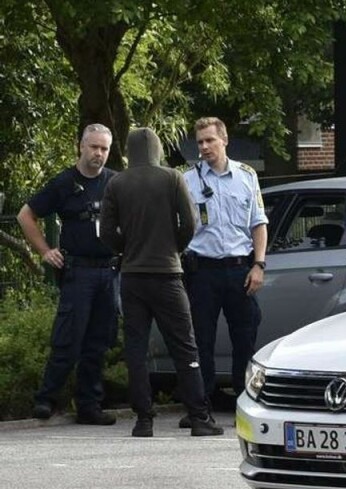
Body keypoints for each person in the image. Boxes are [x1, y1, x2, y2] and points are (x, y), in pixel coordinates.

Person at [99, 127, 223, 437]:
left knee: (136, 350)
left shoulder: (117, 182)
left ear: (129, 151)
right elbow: (190, 222)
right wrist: (175, 248)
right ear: (157, 149)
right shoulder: (172, 178)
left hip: (132, 277)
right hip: (168, 274)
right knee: (185, 346)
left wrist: (125, 250)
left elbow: (105, 232)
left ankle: (144, 419)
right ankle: (198, 417)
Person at [17, 123, 119, 425]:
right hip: (79, 273)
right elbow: (26, 215)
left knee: (98, 343)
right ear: (81, 146)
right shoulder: (64, 182)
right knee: (67, 340)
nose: (98, 153)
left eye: (104, 148)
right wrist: (45, 251)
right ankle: (46, 400)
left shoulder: (115, 183)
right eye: (93, 147)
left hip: (108, 273)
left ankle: (89, 405)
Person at [181, 117, 268, 426]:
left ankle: (243, 406)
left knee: (244, 339)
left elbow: (259, 222)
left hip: (238, 269)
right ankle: (200, 409)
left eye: (209, 140)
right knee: (200, 340)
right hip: (202, 270)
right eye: (200, 142)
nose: (204, 147)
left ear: (224, 140)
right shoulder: (187, 180)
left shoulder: (246, 176)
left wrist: (259, 264)